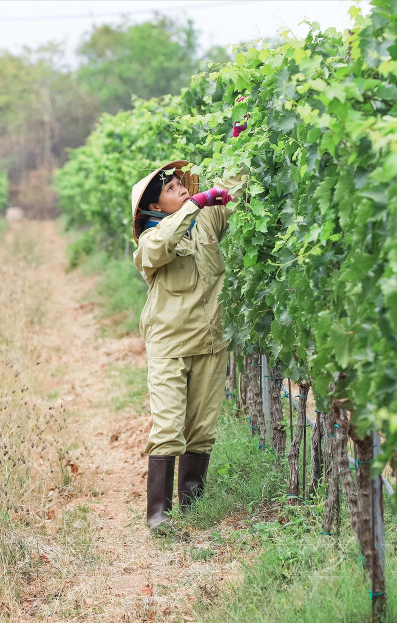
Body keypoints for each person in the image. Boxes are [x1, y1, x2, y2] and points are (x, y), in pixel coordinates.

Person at [130, 159, 245, 530]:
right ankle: (158, 514)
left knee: (202, 428)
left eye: (181, 182)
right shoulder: (149, 240)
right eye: (169, 188)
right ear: (154, 207)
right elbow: (163, 243)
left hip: (210, 340)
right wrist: (196, 202)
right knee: (167, 426)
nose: (180, 187)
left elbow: (234, 188)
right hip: (169, 343)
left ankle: (193, 509)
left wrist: (240, 137)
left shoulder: (206, 222)